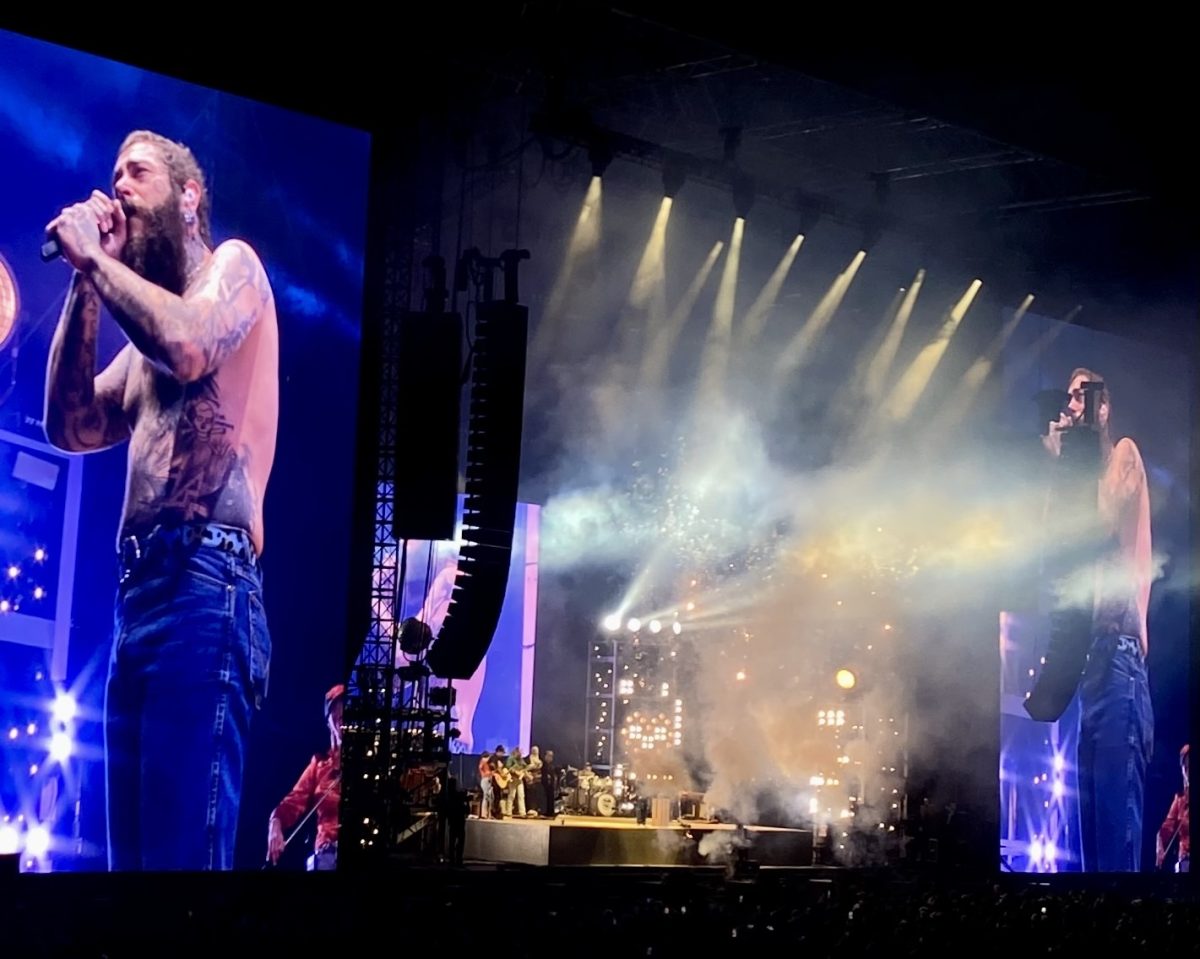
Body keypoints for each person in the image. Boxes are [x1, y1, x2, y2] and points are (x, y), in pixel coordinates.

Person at [43, 130, 278, 870]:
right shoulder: (139, 342)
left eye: (136, 172)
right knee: (131, 874)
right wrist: (87, 280)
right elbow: (69, 422)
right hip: (137, 599)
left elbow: (187, 345)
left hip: (207, 585)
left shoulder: (234, 269)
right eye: (113, 175)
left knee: (181, 875)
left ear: (188, 194)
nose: (118, 186)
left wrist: (96, 260)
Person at [1042, 368, 1153, 872]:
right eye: (1067, 397)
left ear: (1103, 407)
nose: (1071, 405)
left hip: (1120, 657)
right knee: (1090, 837)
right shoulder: (1076, 478)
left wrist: (1073, 462)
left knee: (1114, 831)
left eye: (1081, 395)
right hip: (1091, 665)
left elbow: (1104, 522)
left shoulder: (1123, 455)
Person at [267, 685, 343, 871]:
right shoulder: (318, 766)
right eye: (338, 718)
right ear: (330, 724)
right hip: (328, 855)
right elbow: (292, 803)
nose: (343, 723)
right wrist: (275, 824)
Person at [1156, 744, 1189, 873]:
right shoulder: (1180, 800)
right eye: (1186, 767)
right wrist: (1160, 844)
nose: (1188, 771)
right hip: (1185, 862)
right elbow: (1166, 829)